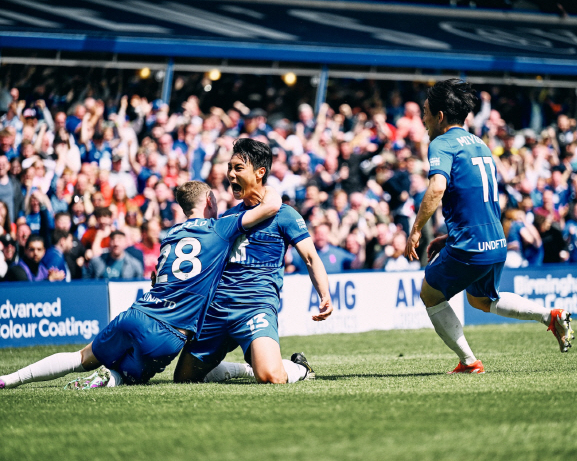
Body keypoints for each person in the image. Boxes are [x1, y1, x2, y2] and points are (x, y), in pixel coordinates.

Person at [0, 180, 281, 390]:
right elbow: (271, 206)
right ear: (208, 200)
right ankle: (109, 378)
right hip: (167, 333)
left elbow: (157, 277)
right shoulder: (220, 228)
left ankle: (9, 379)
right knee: (128, 376)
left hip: (136, 314)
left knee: (81, 356)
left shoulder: (171, 234)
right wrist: (260, 180)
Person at [404, 79, 574, 375]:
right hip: (495, 240)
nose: (424, 118)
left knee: (430, 294)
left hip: (471, 243)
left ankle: (469, 363)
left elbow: (436, 188)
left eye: (426, 112)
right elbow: (478, 198)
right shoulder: (480, 144)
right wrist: (449, 236)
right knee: (482, 299)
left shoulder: (441, 143)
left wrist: (417, 229)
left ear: (440, 116)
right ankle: (550, 315)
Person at [174, 138, 332, 386]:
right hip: (218, 309)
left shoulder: (285, 215)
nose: (231, 174)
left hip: (255, 305)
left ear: (260, 173)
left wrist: (325, 294)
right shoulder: (230, 216)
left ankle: (298, 368)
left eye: (238, 168)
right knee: (184, 379)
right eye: (230, 168)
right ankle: (244, 369)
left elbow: (311, 257)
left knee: (272, 377)